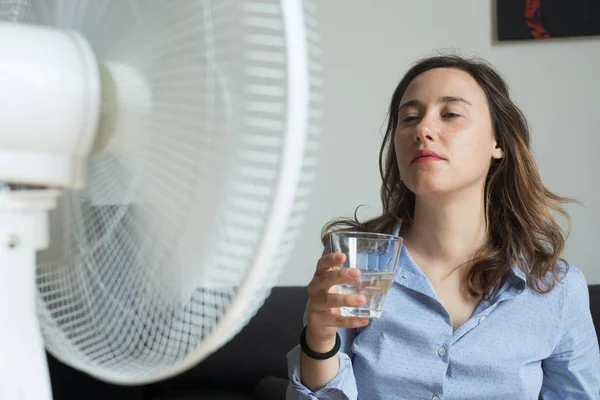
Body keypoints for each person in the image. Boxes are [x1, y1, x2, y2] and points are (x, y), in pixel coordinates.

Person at [285, 54, 600, 399]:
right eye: (409, 118)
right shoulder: (356, 265)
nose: (423, 129)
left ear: (498, 143)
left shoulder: (557, 289)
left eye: (450, 114)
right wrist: (318, 338)